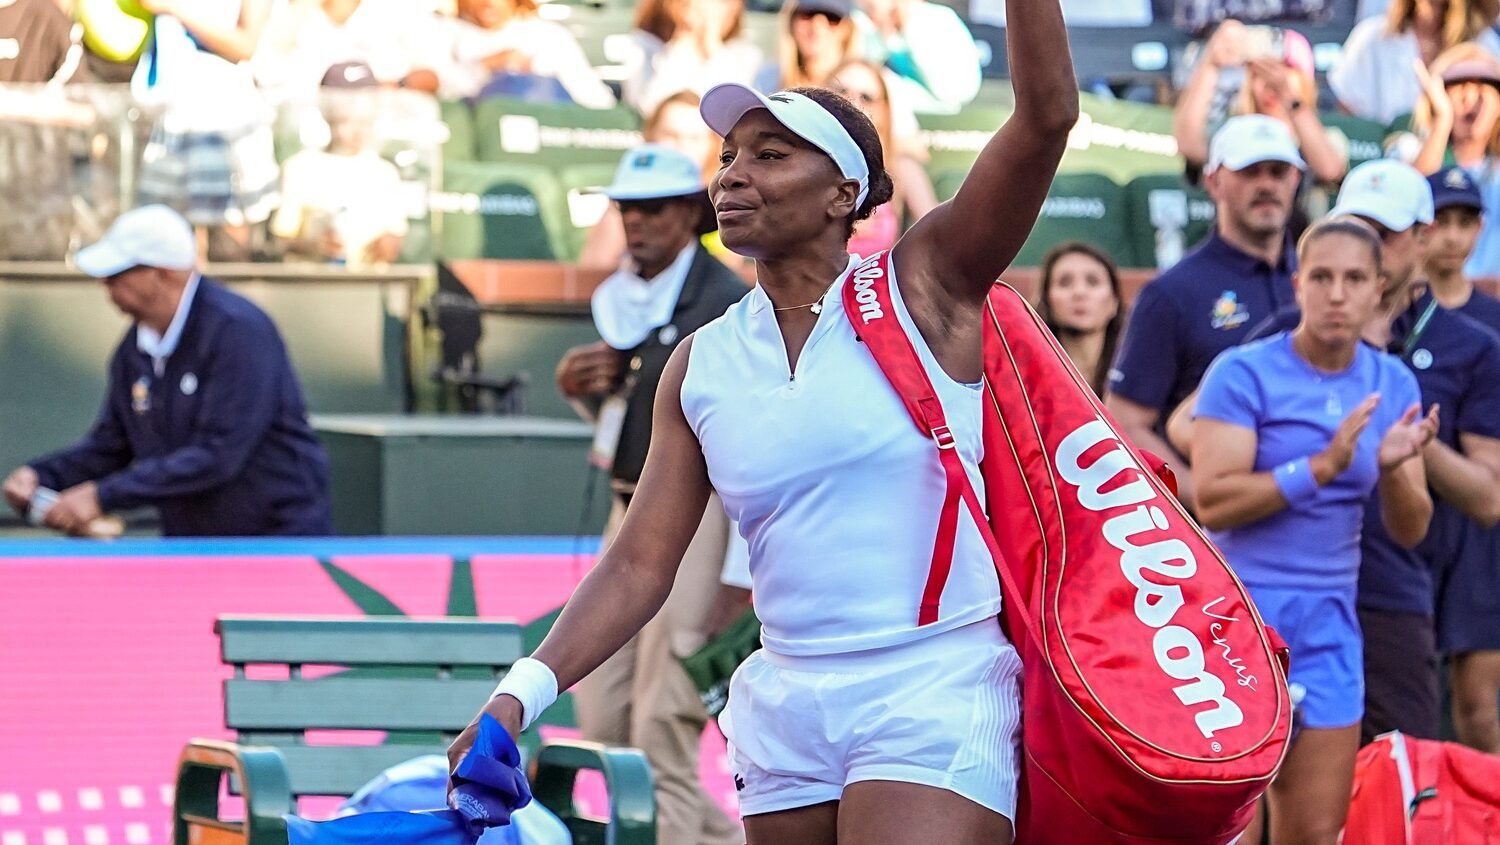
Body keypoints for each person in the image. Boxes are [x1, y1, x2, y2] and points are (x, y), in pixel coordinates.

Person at [449, 0, 1078, 842]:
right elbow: (639, 563)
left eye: (770, 156)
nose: (731, 176)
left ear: (843, 193)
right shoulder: (699, 362)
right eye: (728, 157)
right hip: (783, 691)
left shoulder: (925, 287)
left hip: (934, 678)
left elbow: (1046, 118)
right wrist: (517, 694)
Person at [1224, 159, 1500, 745]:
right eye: (1355, 227)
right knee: (1251, 791)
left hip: (1396, 587)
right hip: (1272, 584)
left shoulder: (1472, 343)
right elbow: (1186, 420)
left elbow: (1490, 498)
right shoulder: (1290, 331)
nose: (1364, 249)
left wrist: (1407, 452)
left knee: (1399, 783)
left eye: (1384, 235)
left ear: (1420, 241)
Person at [1193, 217, 1437, 845]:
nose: (1337, 293)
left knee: (1316, 832)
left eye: (1354, 279)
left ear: (1377, 289)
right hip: (1239, 621)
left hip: (1331, 623)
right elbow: (1213, 501)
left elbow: (1411, 530)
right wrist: (1322, 468)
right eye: (1322, 277)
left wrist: (1392, 472)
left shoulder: (1392, 382)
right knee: (1228, 832)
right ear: (1297, 286)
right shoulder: (1240, 372)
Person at [553, 144, 749, 845]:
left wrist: (740, 576)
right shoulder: (631, 295)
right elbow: (631, 420)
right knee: (605, 721)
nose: (636, 223)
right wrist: (584, 390)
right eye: (627, 209)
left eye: (654, 209)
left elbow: (749, 440)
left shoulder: (727, 303)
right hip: (628, 501)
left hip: (704, 515)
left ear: (690, 214)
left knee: (662, 716)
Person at [1, 205, 333, 536]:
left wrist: (102, 496)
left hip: (275, 542)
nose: (106, 285)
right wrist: (44, 476)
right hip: (190, 542)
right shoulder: (134, 348)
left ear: (165, 273)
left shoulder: (238, 331)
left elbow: (219, 455)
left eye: (118, 274)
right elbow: (113, 443)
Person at [1108, 114, 1301, 510]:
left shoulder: (1323, 280)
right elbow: (1126, 422)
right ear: (1213, 181)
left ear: (1296, 179)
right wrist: (1202, 498)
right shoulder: (1171, 292)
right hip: (1220, 533)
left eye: (1278, 171)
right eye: (1249, 172)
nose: (1266, 184)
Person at [1423, 166, 1500, 753]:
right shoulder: (1394, 318)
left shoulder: (1493, 321)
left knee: (1479, 704)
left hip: (1480, 528)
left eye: (1464, 221)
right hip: (1415, 522)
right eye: (1439, 221)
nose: (1452, 237)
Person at [130, 0, 279, 260]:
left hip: (226, 117)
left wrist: (175, 9)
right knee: (173, 242)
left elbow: (244, 46)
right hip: (170, 117)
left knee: (230, 244)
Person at [1173, 21, 1347, 185]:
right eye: (1259, 73)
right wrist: (1211, 63)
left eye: (1279, 71)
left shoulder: (1327, 137)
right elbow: (1190, 147)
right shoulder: (1231, 134)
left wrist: (1289, 96)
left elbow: (1329, 170)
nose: (1270, 83)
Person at [578, 92, 723, 269]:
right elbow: (593, 274)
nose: (683, 146)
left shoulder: (728, 200)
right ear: (651, 135)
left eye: (695, 138)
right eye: (671, 135)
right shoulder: (627, 196)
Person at [271, 82, 408, 267]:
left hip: (367, 286)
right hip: (311, 286)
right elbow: (280, 239)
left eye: (364, 122)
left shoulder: (386, 173)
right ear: (329, 119)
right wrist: (314, 246)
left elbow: (395, 238)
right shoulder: (300, 167)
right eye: (346, 121)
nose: (357, 131)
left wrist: (387, 246)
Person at [827, 58, 938, 258]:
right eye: (841, 91)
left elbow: (937, 231)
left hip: (873, 284)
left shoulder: (899, 165)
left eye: (866, 97)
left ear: (884, 110)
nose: (851, 102)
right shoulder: (799, 160)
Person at [1330, 0, 1500, 125]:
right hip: (1385, 166)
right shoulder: (1371, 37)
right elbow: (1349, 116)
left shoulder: (1483, 44)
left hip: (1458, 168)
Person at [1411, 46, 1500, 275]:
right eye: (1459, 86)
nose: (1471, 99)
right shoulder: (1410, 149)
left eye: (1483, 87)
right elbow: (1412, 200)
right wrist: (1443, 120)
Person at [622, 0, 762, 117]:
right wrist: (684, 41)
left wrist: (712, 46)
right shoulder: (644, 47)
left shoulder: (745, 54)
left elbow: (741, 109)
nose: (715, 11)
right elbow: (649, 109)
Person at [854, 0, 980, 114]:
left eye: (869, 8)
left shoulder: (939, 20)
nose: (868, 15)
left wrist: (905, 29)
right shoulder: (872, 27)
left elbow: (953, 93)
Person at [1036, 242, 1125, 398]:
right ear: (1046, 301)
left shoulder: (1136, 373)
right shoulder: (1025, 375)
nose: (1079, 292)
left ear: (1114, 302)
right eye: (1065, 282)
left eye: (1093, 281)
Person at [754, 0, 860, 93]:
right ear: (791, 22)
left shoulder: (861, 86)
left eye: (831, 18)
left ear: (847, 29)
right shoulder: (767, 81)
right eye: (808, 14)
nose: (817, 26)